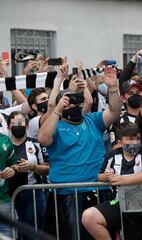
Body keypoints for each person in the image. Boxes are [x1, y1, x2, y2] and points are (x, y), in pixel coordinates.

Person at [38, 66, 121, 240]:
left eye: (78, 102)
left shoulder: (93, 120)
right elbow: (44, 139)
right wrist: (58, 109)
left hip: (99, 191)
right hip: (67, 195)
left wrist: (113, 87)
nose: (75, 106)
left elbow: (114, 112)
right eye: (71, 102)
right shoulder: (56, 126)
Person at [82, 122, 142, 240]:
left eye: (137, 138)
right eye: (130, 139)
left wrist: (123, 180)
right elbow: (100, 176)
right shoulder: (112, 156)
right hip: (118, 201)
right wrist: (108, 176)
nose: (134, 142)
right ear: (120, 142)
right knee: (89, 216)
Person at [6, 111, 49, 239]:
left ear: (27, 126)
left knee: (33, 233)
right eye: (15, 124)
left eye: (21, 123)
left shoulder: (36, 144)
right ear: (8, 127)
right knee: (13, 234)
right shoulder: (4, 146)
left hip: (33, 196)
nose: (18, 126)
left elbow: (48, 168)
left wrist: (33, 167)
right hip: (9, 196)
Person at [0, 133, 16, 238]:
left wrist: (12, 170)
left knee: (8, 236)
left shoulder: (5, 139)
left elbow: (13, 164)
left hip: (3, 201)